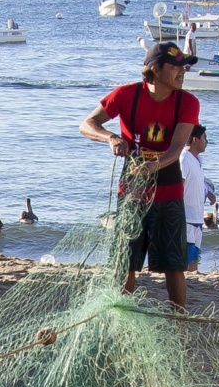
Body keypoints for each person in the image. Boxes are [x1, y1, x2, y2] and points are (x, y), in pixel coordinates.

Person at [82, 42, 200, 309]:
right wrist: (110, 137)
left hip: (169, 191)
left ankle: (178, 318)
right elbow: (87, 124)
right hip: (132, 192)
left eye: (185, 67)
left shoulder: (188, 102)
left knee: (174, 265)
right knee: (125, 262)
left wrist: (152, 166)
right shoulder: (126, 94)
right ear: (154, 70)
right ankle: (121, 314)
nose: (182, 72)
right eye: (176, 67)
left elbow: (176, 148)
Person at [181, 124, 216, 271]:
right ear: (195, 140)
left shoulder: (198, 160)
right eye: (204, 138)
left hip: (197, 218)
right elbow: (179, 187)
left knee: (195, 260)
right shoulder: (184, 159)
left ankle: (191, 289)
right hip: (186, 219)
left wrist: (208, 191)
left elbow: (197, 181)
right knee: (186, 261)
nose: (206, 141)